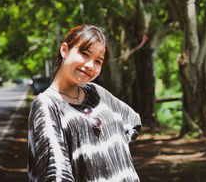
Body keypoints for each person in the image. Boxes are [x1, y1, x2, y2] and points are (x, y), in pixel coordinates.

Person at [28, 25, 142, 182]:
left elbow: (133, 121)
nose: (89, 65)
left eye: (98, 61)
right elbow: (55, 172)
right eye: (84, 54)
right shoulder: (46, 104)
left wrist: (113, 153)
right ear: (64, 50)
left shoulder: (96, 92)